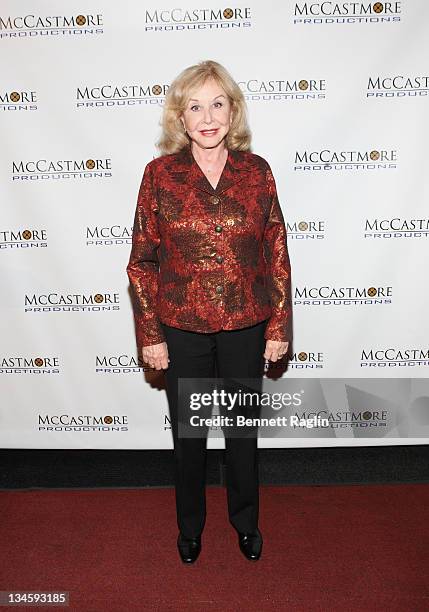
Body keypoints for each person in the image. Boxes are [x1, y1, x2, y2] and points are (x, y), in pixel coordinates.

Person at [126, 60, 292, 564]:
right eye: (194, 106)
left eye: (217, 103)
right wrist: (150, 333)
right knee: (189, 438)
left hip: (246, 326)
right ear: (180, 118)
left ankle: (246, 523)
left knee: (242, 433)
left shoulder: (257, 171)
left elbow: (276, 253)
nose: (207, 116)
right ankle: (190, 528)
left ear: (233, 111)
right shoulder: (160, 176)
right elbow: (141, 262)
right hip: (183, 330)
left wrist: (280, 325)